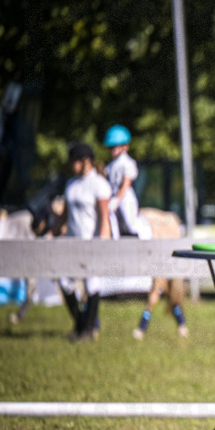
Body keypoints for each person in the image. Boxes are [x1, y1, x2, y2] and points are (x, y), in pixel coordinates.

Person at [54, 142, 111, 342]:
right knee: (65, 282)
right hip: (72, 242)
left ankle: (87, 330)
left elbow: (105, 216)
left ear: (85, 161)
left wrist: (102, 240)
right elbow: (64, 215)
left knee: (92, 284)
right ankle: (80, 323)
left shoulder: (99, 184)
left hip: (91, 242)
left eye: (74, 161)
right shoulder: (71, 184)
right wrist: (51, 234)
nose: (72, 165)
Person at [103, 124, 141, 238]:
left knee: (130, 224)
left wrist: (117, 200)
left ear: (125, 146)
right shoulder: (110, 166)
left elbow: (126, 184)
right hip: (113, 197)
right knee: (114, 228)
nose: (113, 149)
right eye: (111, 147)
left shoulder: (128, 163)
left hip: (124, 198)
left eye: (116, 146)